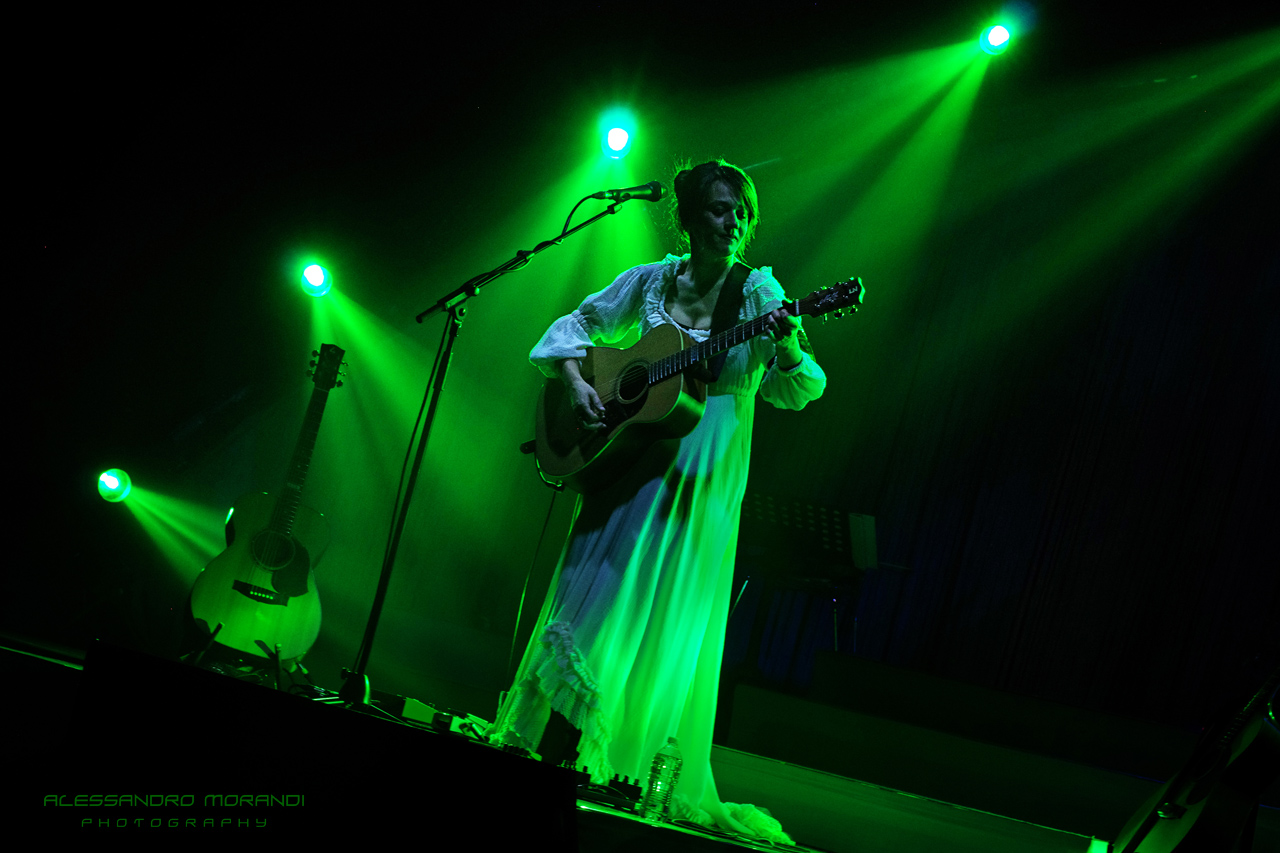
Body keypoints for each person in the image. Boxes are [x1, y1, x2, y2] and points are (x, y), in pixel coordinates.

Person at [488, 160, 825, 841]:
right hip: (629, 460)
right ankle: (548, 758)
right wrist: (581, 382)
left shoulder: (758, 292)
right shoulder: (651, 279)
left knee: (654, 615)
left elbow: (804, 386)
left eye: (743, 213)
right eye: (720, 209)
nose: (733, 223)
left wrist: (788, 344)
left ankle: (613, 768)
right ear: (690, 215)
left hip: (699, 478)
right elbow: (568, 328)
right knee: (591, 607)